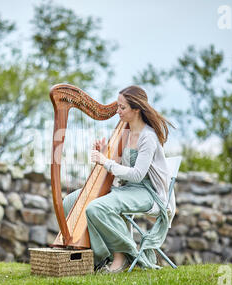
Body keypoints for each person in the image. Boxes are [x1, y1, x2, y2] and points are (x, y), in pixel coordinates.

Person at [62, 85, 176, 273]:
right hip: (126, 189)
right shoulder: (125, 132)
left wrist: (105, 162)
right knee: (70, 202)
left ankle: (122, 255)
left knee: (96, 207)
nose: (117, 112)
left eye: (122, 108)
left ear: (136, 109)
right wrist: (104, 151)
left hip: (147, 192)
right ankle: (99, 255)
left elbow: (138, 174)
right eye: (117, 107)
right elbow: (115, 167)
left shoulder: (148, 137)